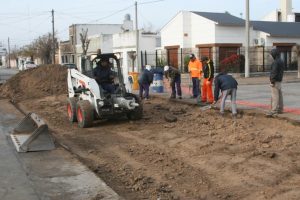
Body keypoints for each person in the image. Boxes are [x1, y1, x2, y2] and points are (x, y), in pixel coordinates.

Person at [266, 48, 284, 116]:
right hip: (279, 80)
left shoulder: (275, 62)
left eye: (272, 54)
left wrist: (272, 81)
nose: (271, 55)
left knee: (274, 96)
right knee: (280, 96)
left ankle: (274, 110)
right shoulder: (281, 61)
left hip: (275, 81)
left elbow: (274, 72)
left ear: (274, 54)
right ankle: (280, 109)